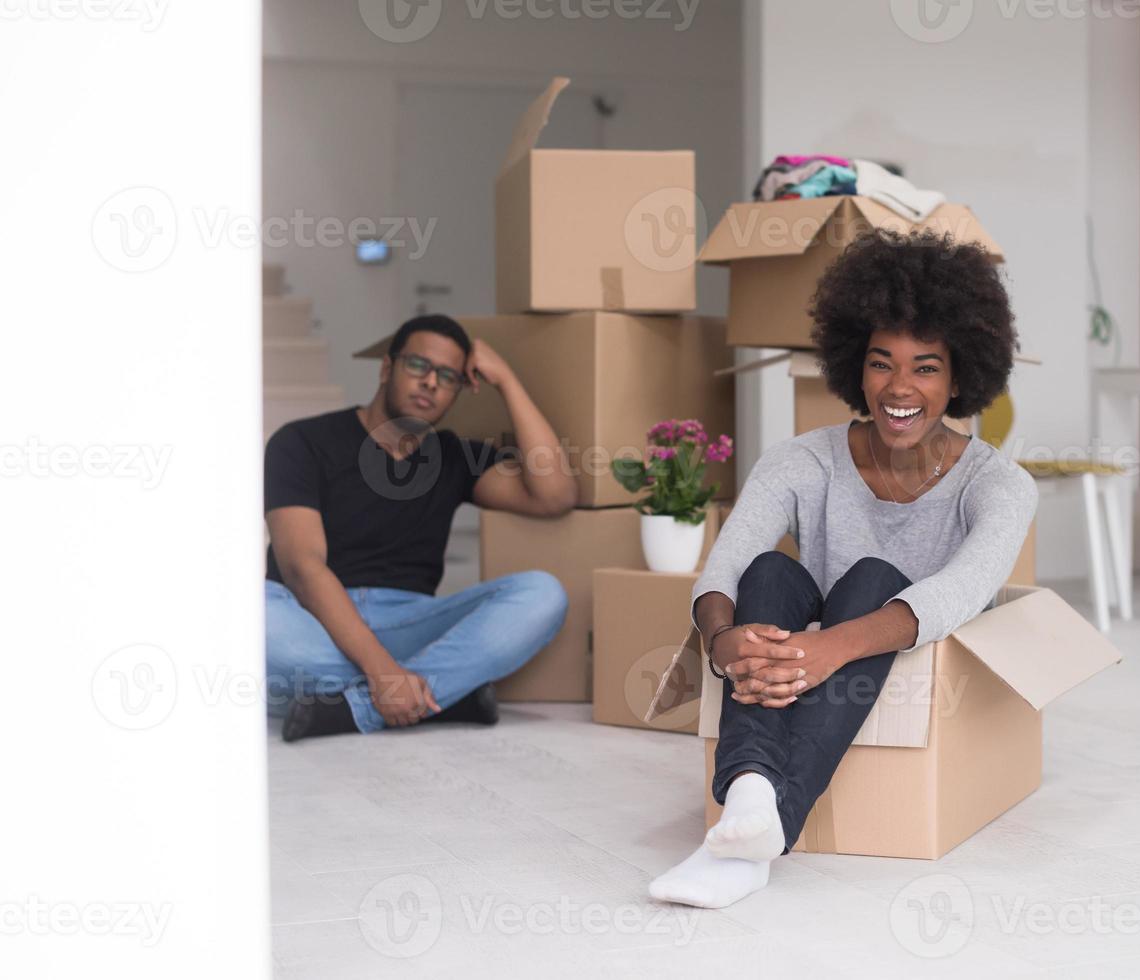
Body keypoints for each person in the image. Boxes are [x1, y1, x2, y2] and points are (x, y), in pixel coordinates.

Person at [649, 229, 1038, 908]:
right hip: (799, 651)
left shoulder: (999, 485)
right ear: (855, 366)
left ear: (960, 378)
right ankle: (749, 799)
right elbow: (726, 565)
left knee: (875, 580)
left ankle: (756, 827)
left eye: (926, 367)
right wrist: (721, 640)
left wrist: (829, 647)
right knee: (768, 573)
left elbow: (961, 591)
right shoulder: (803, 459)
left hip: (873, 649)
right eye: (882, 362)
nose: (899, 387)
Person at [263, 314, 577, 742]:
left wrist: (507, 380)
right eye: (419, 366)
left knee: (543, 594)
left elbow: (555, 495)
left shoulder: (453, 457)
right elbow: (302, 568)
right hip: (311, 617)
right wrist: (382, 669)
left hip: (409, 621)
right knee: (248, 617)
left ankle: (354, 708)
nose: (431, 382)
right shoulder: (301, 441)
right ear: (386, 368)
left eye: (448, 376)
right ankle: (446, 693)